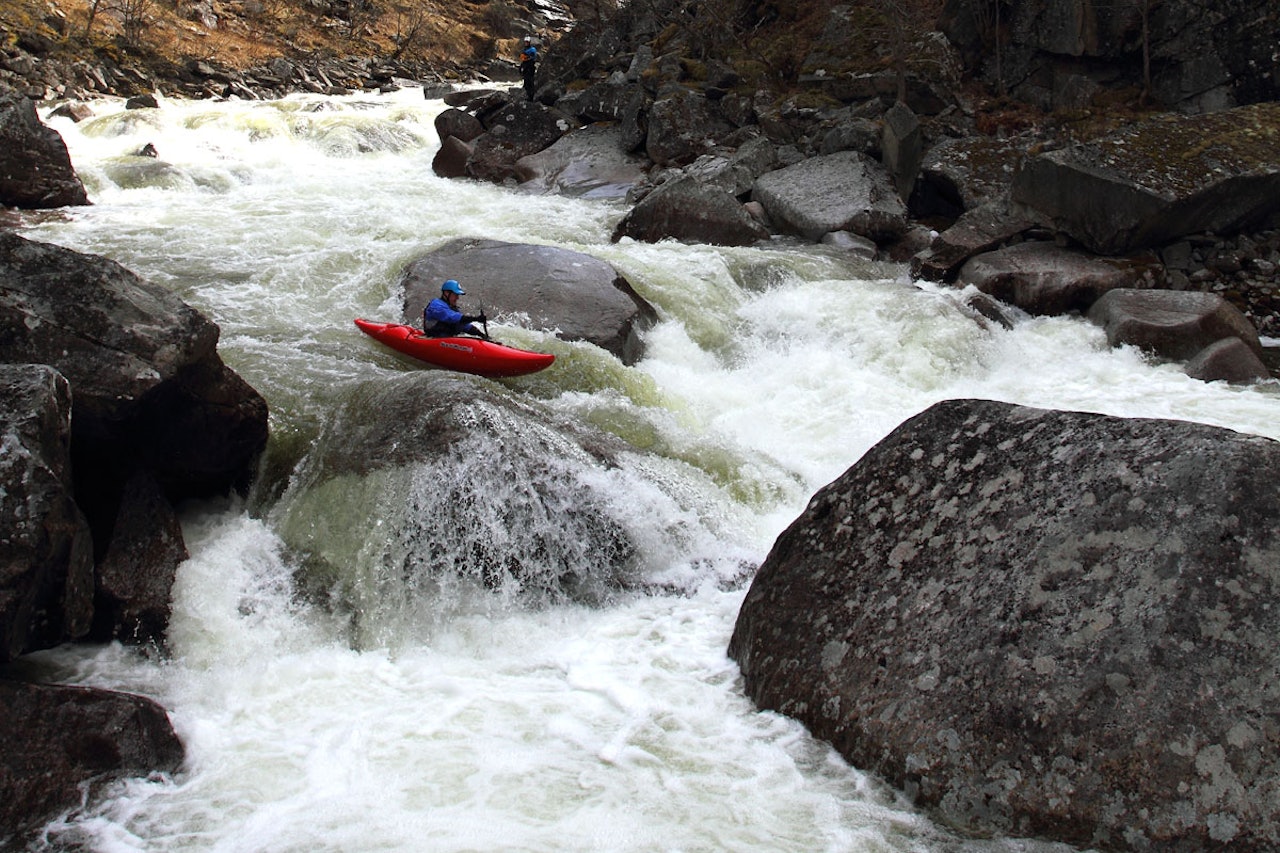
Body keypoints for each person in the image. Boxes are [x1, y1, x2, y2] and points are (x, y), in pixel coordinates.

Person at [422, 279, 487, 338]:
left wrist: (481, 335)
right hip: (433, 339)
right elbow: (452, 317)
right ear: (447, 293)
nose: (457, 298)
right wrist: (475, 318)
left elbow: (465, 326)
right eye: (455, 295)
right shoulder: (436, 305)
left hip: (447, 340)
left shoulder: (452, 308)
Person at [520, 36, 537, 102]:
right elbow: (523, 60)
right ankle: (527, 96)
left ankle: (531, 97)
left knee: (530, 83)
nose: (526, 43)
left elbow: (531, 59)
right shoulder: (524, 50)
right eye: (525, 42)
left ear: (529, 42)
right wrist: (521, 67)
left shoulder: (532, 49)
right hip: (525, 68)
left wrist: (526, 59)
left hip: (530, 68)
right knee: (526, 83)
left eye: (527, 42)